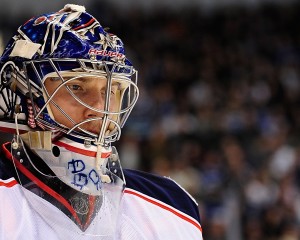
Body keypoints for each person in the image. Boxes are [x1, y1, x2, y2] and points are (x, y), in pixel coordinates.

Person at [0, 4, 203, 239]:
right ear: (22, 93)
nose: (99, 108)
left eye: (111, 90)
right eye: (75, 87)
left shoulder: (173, 206)